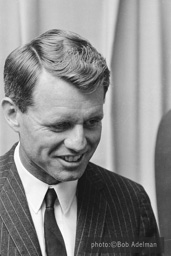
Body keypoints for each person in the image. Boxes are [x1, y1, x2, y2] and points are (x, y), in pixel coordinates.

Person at [0, 29, 161, 256]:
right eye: (60, 125)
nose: (79, 143)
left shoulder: (132, 203)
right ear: (13, 114)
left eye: (92, 122)